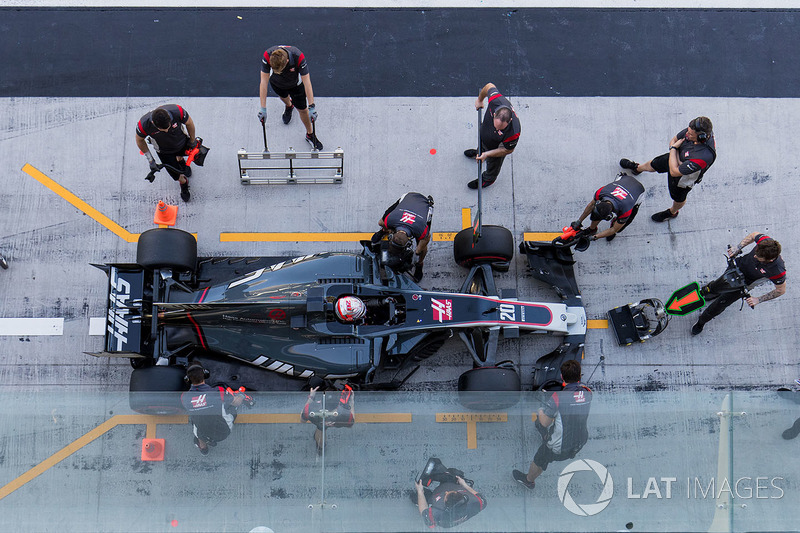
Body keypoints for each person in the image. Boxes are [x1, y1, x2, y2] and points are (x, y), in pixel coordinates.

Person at [513, 359, 592, 490]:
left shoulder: (557, 397)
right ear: (580, 375)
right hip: (580, 441)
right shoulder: (587, 392)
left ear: (562, 377)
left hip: (560, 447)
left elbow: (545, 423)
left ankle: (528, 481)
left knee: (540, 457)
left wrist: (540, 410)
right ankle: (546, 438)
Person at [619, 116, 716, 222]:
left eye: (691, 134)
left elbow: (675, 172)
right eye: (688, 131)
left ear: (701, 138)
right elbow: (673, 140)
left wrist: (674, 148)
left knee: (678, 197)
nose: (687, 135)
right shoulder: (693, 129)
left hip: (684, 177)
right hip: (676, 157)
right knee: (654, 163)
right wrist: (676, 157)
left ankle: (672, 212)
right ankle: (637, 168)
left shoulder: (704, 156)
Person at [692, 233, 786, 335]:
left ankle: (701, 322)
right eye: (756, 252)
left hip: (743, 284)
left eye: (758, 257)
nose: (755, 256)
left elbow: (781, 290)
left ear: (770, 260)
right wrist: (737, 248)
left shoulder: (777, 270)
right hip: (736, 268)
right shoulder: (765, 242)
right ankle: (711, 293)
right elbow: (753, 235)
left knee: (719, 305)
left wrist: (758, 299)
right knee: (714, 286)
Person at [258, 45, 323, 150]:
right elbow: (264, 82)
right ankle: (289, 105)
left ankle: (310, 134)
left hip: (296, 86)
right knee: (283, 97)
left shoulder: (298, 56)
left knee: (303, 110)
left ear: (287, 61)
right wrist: (263, 109)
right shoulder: (267, 56)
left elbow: (307, 83)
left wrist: (312, 106)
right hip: (277, 84)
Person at [463, 83, 521, 189]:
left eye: (501, 129)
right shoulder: (496, 101)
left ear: (510, 121)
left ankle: (488, 179)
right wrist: (480, 100)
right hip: (485, 135)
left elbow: (508, 150)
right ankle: (479, 152)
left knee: (494, 164)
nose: (497, 129)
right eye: (496, 126)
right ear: (494, 114)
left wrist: (488, 154)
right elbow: (489, 86)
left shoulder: (514, 131)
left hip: (497, 147)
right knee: (483, 144)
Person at [135, 104, 196, 202]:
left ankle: (181, 161)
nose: (167, 130)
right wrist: (150, 160)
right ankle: (183, 182)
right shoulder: (144, 125)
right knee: (175, 175)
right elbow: (139, 140)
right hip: (164, 151)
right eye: (164, 130)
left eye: (168, 127)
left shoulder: (177, 111)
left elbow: (189, 123)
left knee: (181, 156)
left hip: (182, 142)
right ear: (153, 123)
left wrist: (192, 141)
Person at [180, 362, 244, 455]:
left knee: (195, 418)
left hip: (203, 434)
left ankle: (203, 447)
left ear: (188, 379)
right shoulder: (218, 391)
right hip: (223, 432)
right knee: (231, 408)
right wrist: (241, 396)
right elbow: (236, 402)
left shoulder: (184, 397)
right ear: (205, 374)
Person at [371, 192, 434, 282]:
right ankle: (383, 231)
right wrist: (387, 229)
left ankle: (420, 264)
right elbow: (381, 222)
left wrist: (418, 251)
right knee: (384, 222)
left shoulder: (420, 230)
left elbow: (427, 238)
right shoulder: (391, 219)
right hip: (408, 197)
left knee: (423, 249)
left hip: (423, 205)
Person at [413, 458, 486, 529]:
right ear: (461, 496)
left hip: (434, 496)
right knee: (453, 473)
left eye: (446, 495)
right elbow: (477, 494)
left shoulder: (438, 513)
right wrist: (464, 484)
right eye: (451, 492)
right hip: (450, 485)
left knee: (416, 496)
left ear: (446, 505)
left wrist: (420, 491)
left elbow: (424, 512)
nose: (446, 492)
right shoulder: (476, 503)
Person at [573, 172, 645, 243]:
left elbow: (614, 229)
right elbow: (591, 205)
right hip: (624, 180)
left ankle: (614, 221)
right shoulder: (601, 192)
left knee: (621, 227)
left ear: (609, 216)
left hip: (638, 190)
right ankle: (592, 229)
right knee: (599, 213)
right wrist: (579, 221)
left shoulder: (625, 210)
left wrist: (594, 237)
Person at [301, 377, 354, 455]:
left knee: (321, 428)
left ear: (322, 401)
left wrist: (311, 397)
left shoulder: (312, 409)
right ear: (338, 403)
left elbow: (302, 420)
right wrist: (351, 402)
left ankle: (320, 448)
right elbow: (351, 424)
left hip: (320, 422)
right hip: (337, 422)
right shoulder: (343, 414)